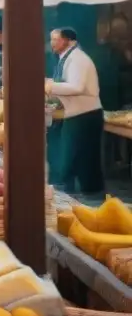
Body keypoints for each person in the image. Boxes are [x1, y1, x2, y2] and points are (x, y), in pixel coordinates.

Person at [46, 27, 105, 196]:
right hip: (79, 114)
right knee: (81, 160)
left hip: (85, 115)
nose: (52, 43)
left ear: (67, 40)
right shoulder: (67, 58)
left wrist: (50, 86)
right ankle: (84, 195)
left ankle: (87, 199)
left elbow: (77, 87)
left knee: (77, 160)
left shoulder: (77, 59)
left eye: (55, 39)